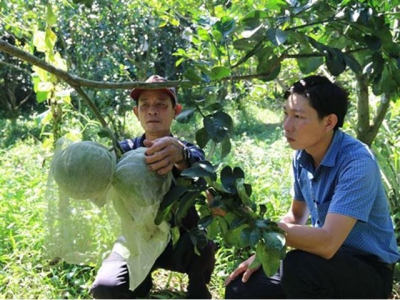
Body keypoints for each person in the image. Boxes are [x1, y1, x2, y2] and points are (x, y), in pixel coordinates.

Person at [225, 75, 399, 299]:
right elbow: (296, 215)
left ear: (329, 122)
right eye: (286, 114)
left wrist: (254, 223)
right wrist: (264, 253)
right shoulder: (302, 156)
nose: (287, 126)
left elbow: (327, 243)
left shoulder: (357, 162)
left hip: (367, 270)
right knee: (242, 287)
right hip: (321, 264)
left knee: (298, 268)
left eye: (298, 117)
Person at [90, 75, 215, 299]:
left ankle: (198, 286)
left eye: (160, 104)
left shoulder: (185, 149)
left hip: (181, 239)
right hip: (136, 240)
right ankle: (141, 280)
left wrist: (181, 157)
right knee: (104, 288)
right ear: (136, 113)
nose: (152, 110)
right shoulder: (122, 152)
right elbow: (98, 183)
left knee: (204, 246)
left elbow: (202, 170)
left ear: (176, 110)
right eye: (145, 105)